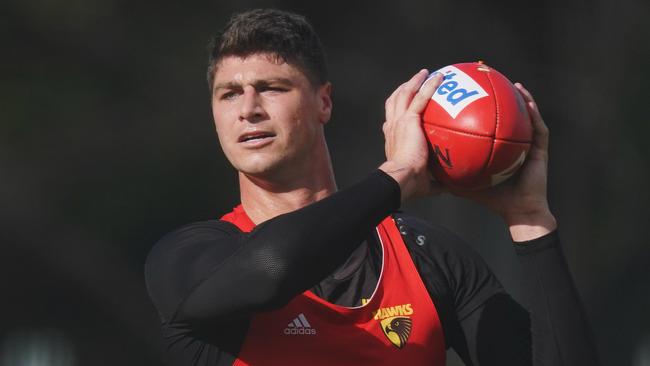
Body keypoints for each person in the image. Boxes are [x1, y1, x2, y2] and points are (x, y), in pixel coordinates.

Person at [144, 8, 599, 366]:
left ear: (323, 101)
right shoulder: (187, 258)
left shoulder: (427, 257)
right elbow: (273, 272)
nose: (248, 109)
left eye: (272, 88)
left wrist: (531, 222)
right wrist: (398, 175)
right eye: (229, 94)